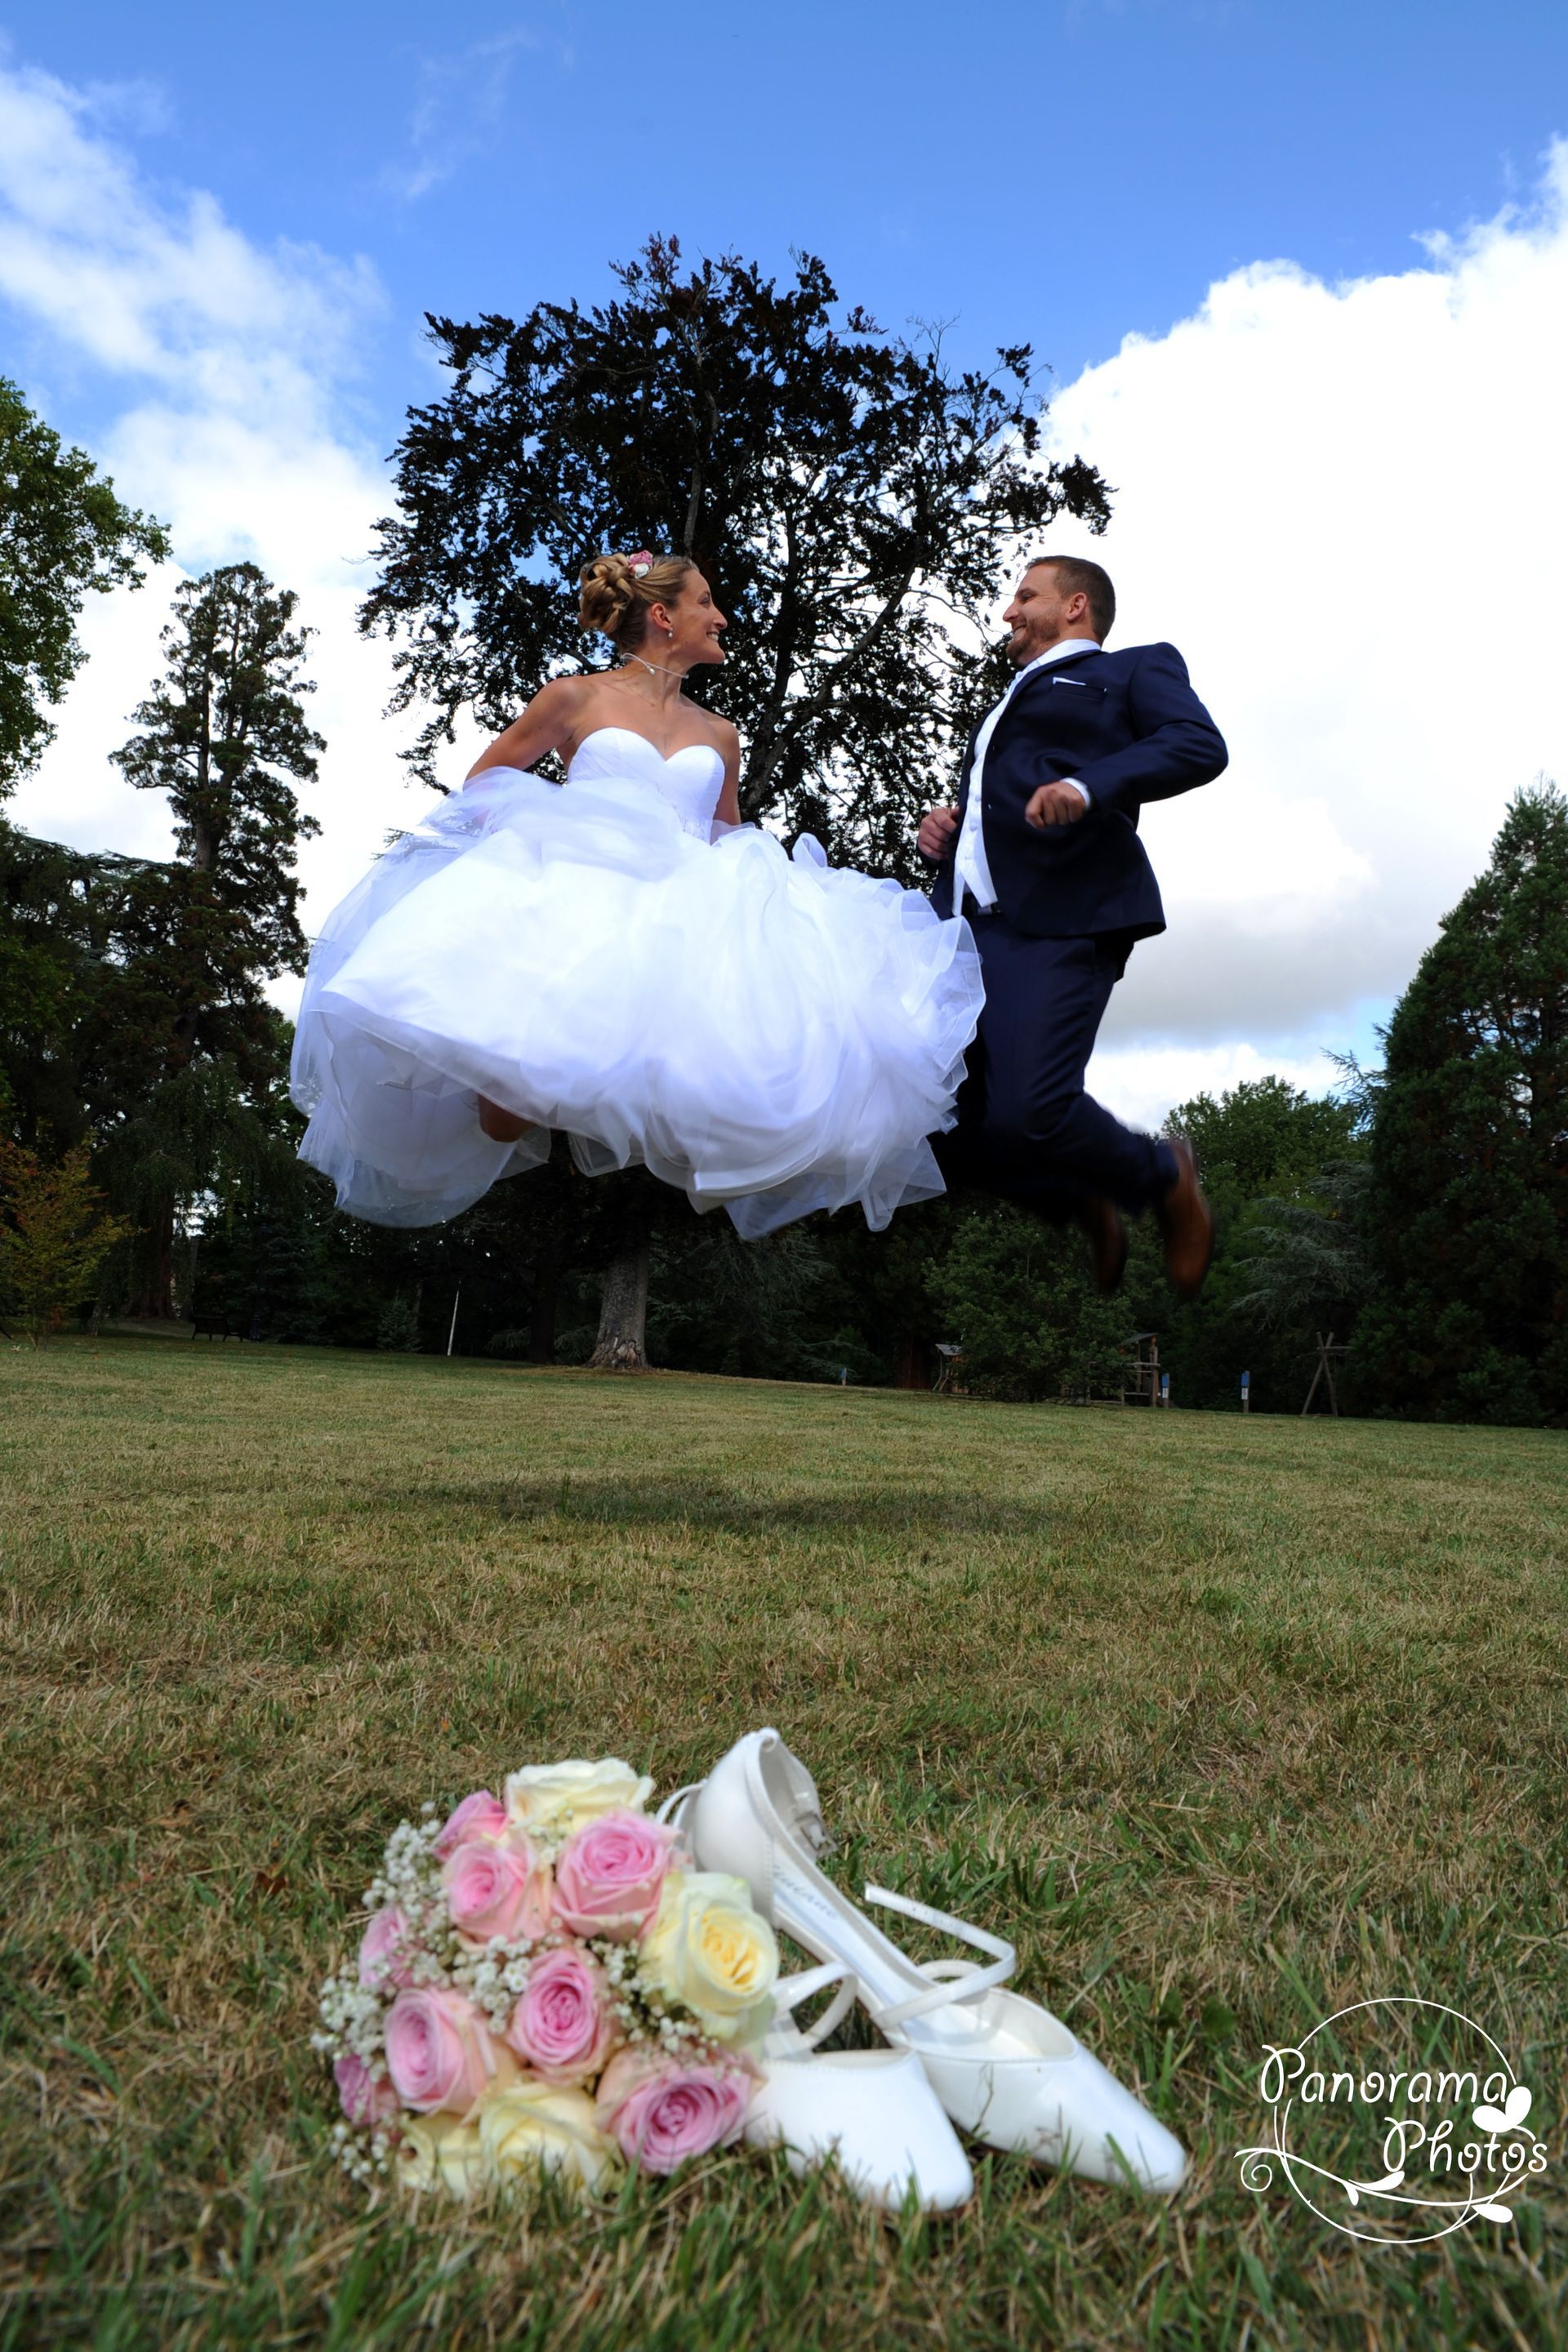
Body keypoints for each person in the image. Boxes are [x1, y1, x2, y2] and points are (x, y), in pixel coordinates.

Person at [291, 550, 983, 1238]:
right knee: (503, 1117)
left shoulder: (720, 734)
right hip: (579, 894)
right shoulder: (575, 697)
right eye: (706, 602)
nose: (720, 616)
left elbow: (730, 835)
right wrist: (533, 845)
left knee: (714, 1082)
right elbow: (486, 783)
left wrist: (773, 919)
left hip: (677, 920)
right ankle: (503, 1038)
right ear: (663, 615)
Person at [917, 555, 1227, 1296]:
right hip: (963, 933)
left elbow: (1197, 745)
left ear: (1076, 606)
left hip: (1060, 920)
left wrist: (1090, 787)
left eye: (1026, 596)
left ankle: (1164, 1176)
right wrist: (947, 830)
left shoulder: (1131, 671)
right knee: (938, 1129)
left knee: (1031, 1111)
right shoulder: (1004, 702)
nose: (1009, 611)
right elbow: (999, 810)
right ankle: (1084, 1194)